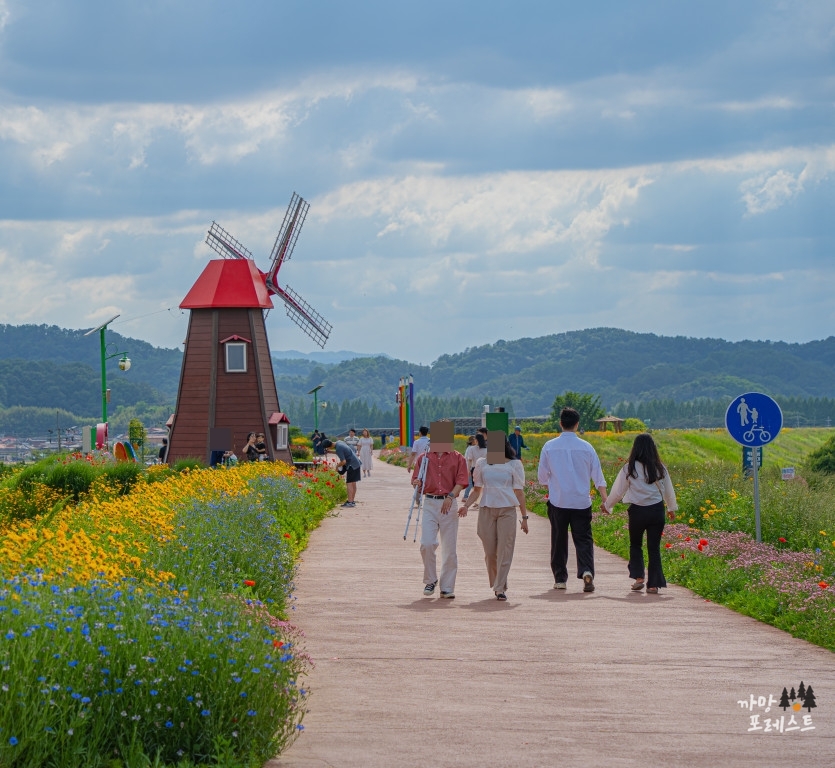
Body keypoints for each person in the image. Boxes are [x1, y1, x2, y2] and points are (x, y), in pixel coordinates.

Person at [537, 407, 608, 592]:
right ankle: (586, 571)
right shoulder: (587, 447)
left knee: (559, 540)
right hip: (581, 502)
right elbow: (598, 476)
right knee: (583, 539)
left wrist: (552, 485)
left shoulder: (549, 446)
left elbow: (542, 477)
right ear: (577, 424)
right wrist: (605, 499)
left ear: (560, 423)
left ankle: (560, 579)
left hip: (558, 501)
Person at [602, 433, 678, 594]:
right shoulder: (660, 467)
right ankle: (653, 584)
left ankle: (639, 577)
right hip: (657, 511)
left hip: (637, 511)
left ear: (635, 448)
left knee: (635, 544)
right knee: (654, 547)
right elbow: (669, 491)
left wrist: (607, 505)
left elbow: (618, 492)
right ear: (653, 449)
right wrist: (671, 508)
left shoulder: (629, 468)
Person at [462, 436, 528, 601]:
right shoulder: (482, 464)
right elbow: (477, 490)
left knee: (505, 549)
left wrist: (524, 517)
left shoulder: (514, 464)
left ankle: (500, 588)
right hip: (486, 510)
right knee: (490, 552)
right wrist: (466, 505)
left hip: (507, 511)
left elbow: (519, 492)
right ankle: (498, 582)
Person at [411, 428, 468, 599]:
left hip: (448, 502)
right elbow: (416, 480)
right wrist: (416, 482)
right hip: (429, 502)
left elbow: (462, 481)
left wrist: (451, 496)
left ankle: (447, 586)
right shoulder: (424, 458)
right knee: (427, 543)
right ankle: (431, 579)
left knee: (449, 547)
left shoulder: (458, 457)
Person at [321, 438, 362, 507]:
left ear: (328, 447)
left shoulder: (339, 448)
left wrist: (337, 467)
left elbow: (343, 461)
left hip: (352, 465)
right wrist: (330, 452)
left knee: (349, 483)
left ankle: (350, 502)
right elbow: (342, 451)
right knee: (353, 483)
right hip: (356, 463)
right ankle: (352, 501)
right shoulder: (339, 442)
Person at [463, 433, 487, 502]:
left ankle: (477, 501)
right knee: (485, 486)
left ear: (476, 440)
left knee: (476, 487)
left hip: (475, 469)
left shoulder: (471, 449)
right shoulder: (486, 449)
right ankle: (482, 500)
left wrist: (468, 470)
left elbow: (469, 460)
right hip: (485, 469)